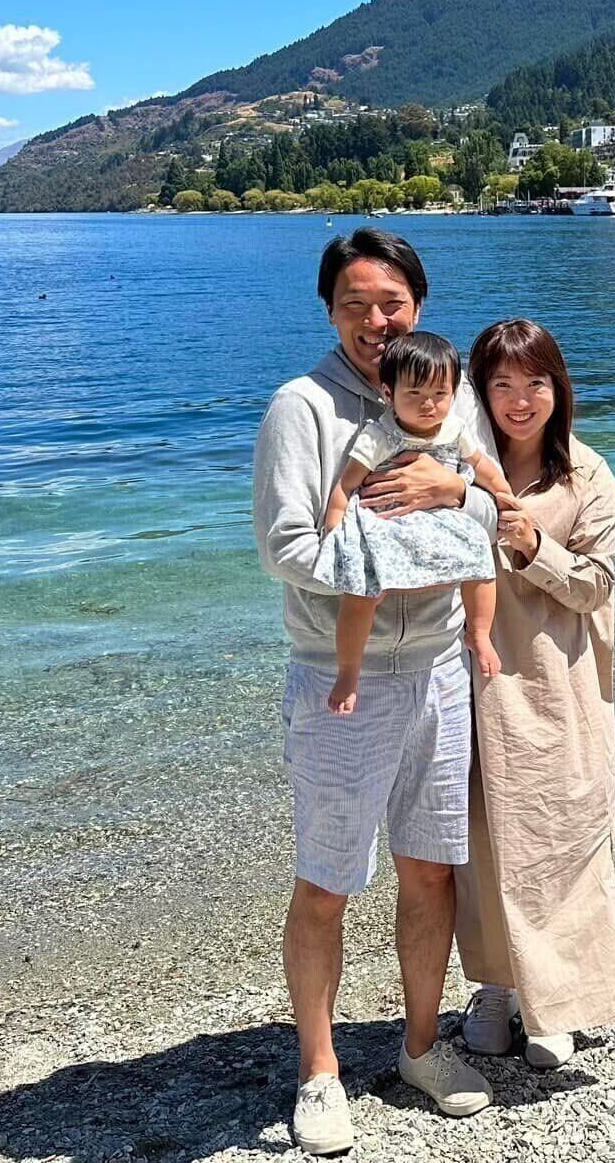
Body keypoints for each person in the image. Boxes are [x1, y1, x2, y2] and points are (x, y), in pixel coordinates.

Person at [251, 230, 501, 1155]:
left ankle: (422, 1047)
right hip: (338, 675)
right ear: (329, 312)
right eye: (355, 304)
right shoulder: (302, 407)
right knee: (326, 882)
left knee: (431, 869)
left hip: (438, 668)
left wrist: (453, 498)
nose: (375, 321)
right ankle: (319, 1072)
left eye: (391, 302)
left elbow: (489, 509)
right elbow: (286, 546)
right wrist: (391, 563)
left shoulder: (450, 393)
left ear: (418, 306)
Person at [454, 319, 615, 1071]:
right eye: (501, 385)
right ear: (479, 393)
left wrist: (534, 549)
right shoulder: (458, 466)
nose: (519, 400)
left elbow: (596, 587)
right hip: (473, 681)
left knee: (562, 835)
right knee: (482, 840)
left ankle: (558, 998)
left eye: (535, 383)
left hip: (560, 685)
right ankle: (495, 987)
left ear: (559, 389)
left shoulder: (586, 476)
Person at [315, 330, 510, 714]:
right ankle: (349, 671)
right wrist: (334, 527)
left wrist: (505, 495)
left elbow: (484, 468)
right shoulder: (381, 434)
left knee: (480, 557)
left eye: (440, 394)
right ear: (388, 394)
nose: (428, 404)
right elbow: (346, 484)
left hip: (442, 517)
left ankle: (479, 633)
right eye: (414, 394)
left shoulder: (454, 428)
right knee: (362, 589)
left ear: (453, 392)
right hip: (388, 520)